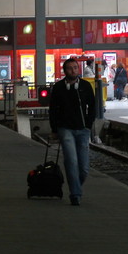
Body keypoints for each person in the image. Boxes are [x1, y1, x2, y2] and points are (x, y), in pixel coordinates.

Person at [49, 57, 97, 206]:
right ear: (65, 71)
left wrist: (88, 125)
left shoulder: (85, 86)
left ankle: (75, 186)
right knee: (71, 161)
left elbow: (93, 106)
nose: (73, 71)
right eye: (70, 68)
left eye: (75, 68)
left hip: (83, 129)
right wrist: (54, 129)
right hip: (65, 129)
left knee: (84, 168)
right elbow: (53, 110)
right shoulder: (58, 88)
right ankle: (75, 194)